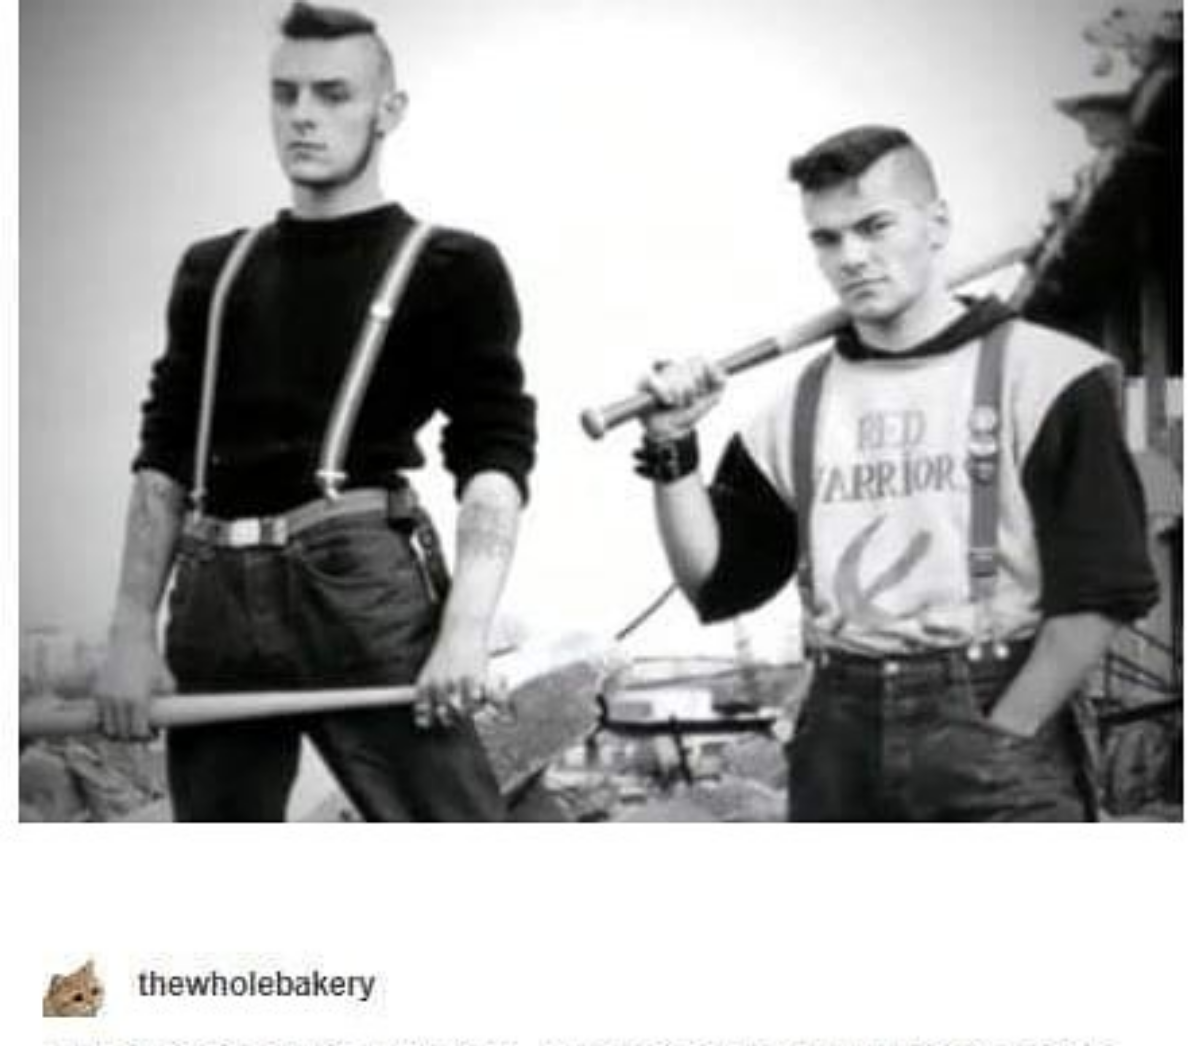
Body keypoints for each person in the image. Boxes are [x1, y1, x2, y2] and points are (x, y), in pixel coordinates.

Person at [635, 125, 1157, 821]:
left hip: (997, 711)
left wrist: (1009, 729)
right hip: (838, 725)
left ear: (936, 223)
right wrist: (673, 448)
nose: (852, 257)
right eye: (827, 239)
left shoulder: (1052, 377)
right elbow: (718, 583)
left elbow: (1106, 588)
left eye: (875, 226)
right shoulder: (796, 409)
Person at [95, 3, 535, 821]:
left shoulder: (451, 266)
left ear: (389, 110)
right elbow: (161, 457)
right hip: (215, 594)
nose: (303, 116)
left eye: (334, 94)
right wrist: (129, 630)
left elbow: (494, 455)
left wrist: (465, 629)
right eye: (285, 94)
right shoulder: (213, 272)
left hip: (359, 588)